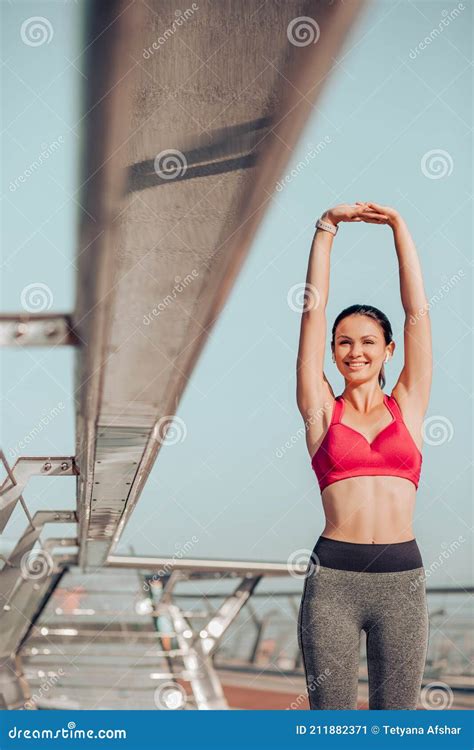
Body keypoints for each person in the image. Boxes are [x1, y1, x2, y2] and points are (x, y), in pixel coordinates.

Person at [295, 202, 432, 710]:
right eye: (344, 342)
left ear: (389, 350)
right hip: (333, 581)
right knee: (333, 725)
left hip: (402, 581)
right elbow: (312, 309)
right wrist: (326, 228)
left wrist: (399, 226)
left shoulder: (410, 405)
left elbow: (417, 313)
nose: (356, 351)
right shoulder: (320, 411)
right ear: (332, 352)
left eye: (369, 341)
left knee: (397, 726)